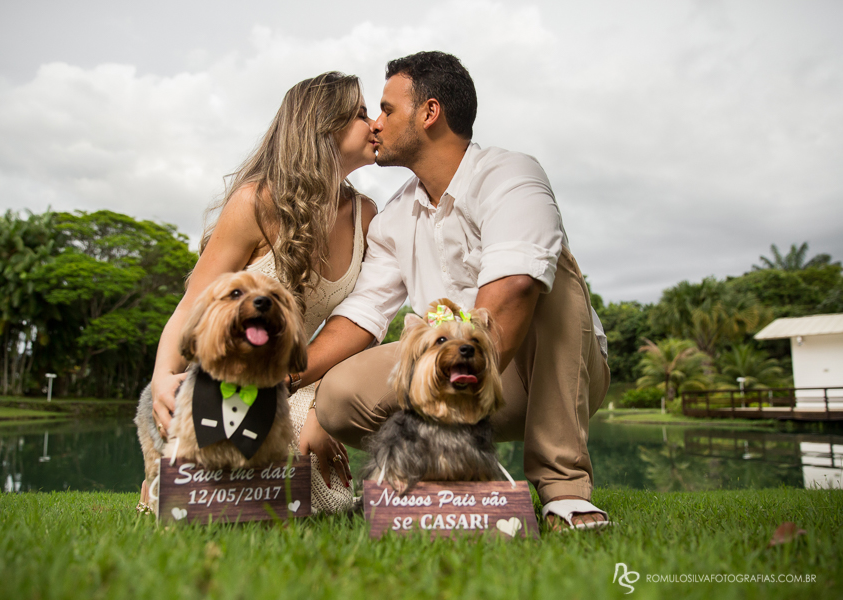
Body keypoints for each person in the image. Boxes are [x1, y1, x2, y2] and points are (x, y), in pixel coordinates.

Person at [296, 52, 612, 530]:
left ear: (429, 113)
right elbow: (363, 313)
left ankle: (562, 489)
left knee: (549, 277)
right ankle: (429, 481)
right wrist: (295, 374)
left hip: (541, 375)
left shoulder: (512, 174)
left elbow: (514, 287)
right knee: (338, 394)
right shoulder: (394, 216)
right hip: (446, 378)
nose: (375, 124)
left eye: (386, 109)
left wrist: (463, 372)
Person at [149, 71, 378, 513]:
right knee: (271, 489)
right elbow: (192, 305)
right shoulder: (256, 203)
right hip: (233, 375)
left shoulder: (366, 214)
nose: (376, 125)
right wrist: (162, 376)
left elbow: (361, 327)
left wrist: (321, 407)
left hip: (304, 375)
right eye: (362, 114)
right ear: (324, 125)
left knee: (321, 496)